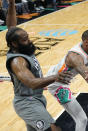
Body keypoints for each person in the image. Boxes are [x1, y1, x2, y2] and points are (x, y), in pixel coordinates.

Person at [5, 0, 71, 130]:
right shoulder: (17, 61)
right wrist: (54, 77)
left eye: (28, 37)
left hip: (37, 99)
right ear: (14, 44)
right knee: (53, 128)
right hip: (27, 102)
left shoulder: (19, 45)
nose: (29, 41)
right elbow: (32, 82)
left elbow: (12, 25)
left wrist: (12, 3)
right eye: (25, 40)